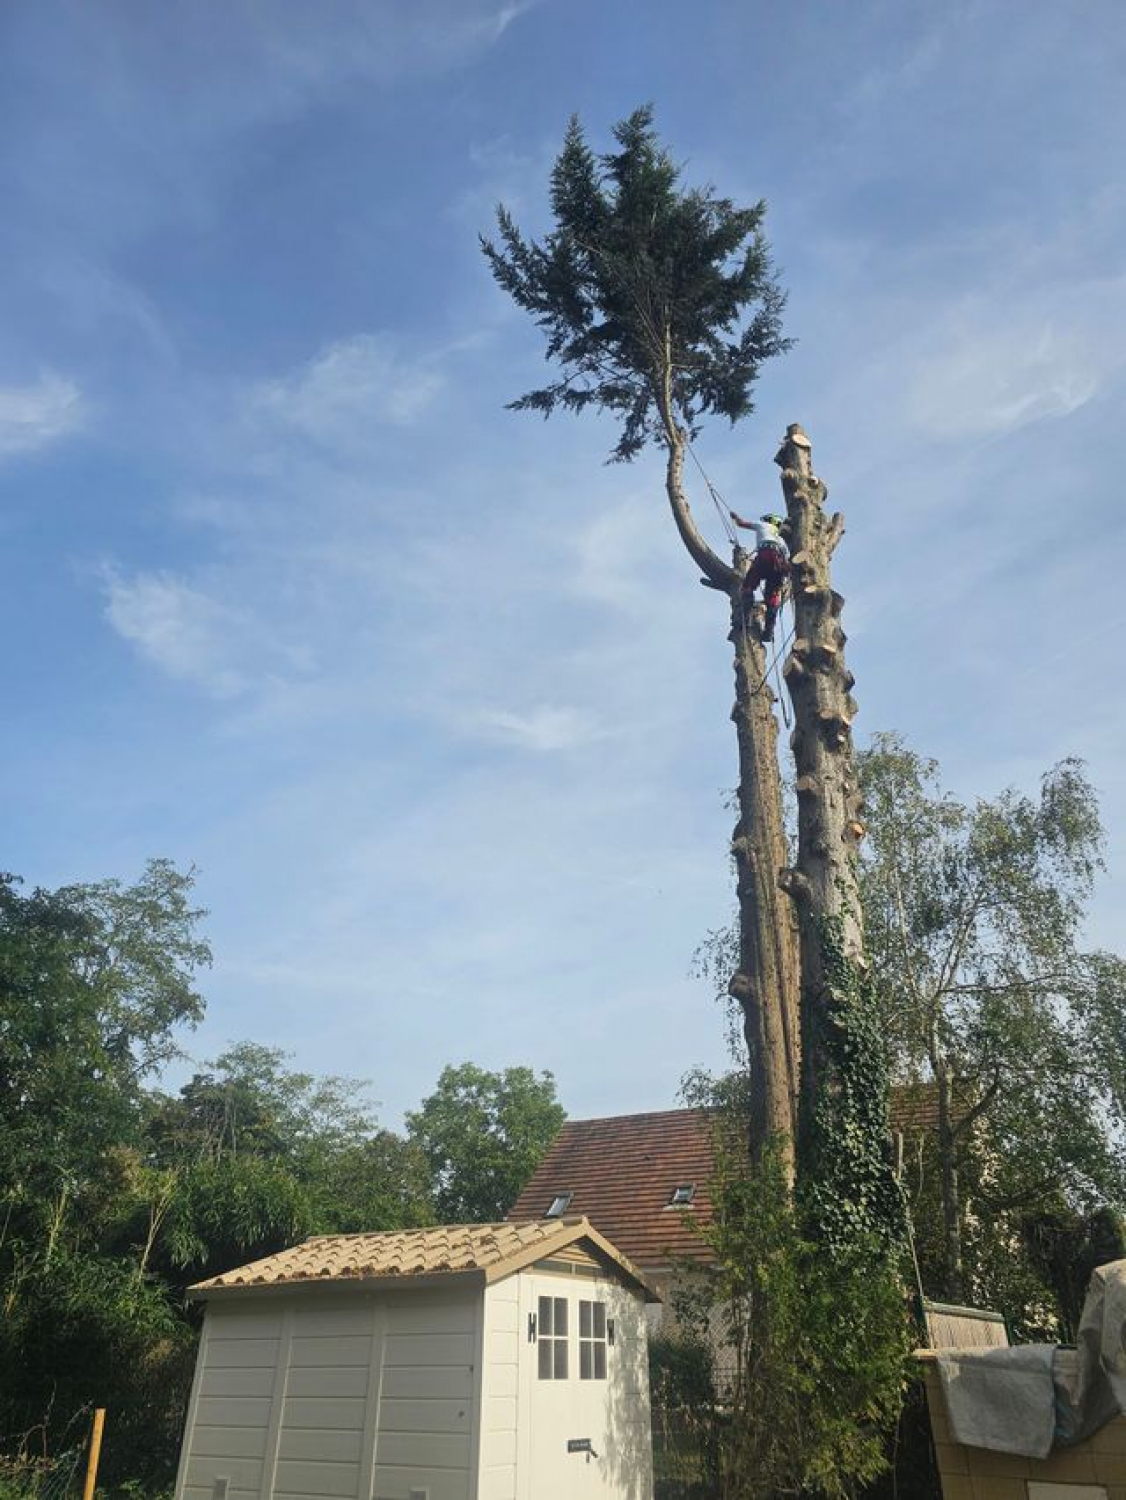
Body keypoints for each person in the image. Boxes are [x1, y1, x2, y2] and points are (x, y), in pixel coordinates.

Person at [729, 511, 789, 643]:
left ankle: (745, 619)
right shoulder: (782, 540)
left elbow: (741, 523)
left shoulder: (762, 525)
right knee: (772, 599)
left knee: (748, 586)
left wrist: (735, 517)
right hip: (778, 563)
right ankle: (769, 632)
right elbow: (786, 561)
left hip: (764, 556)